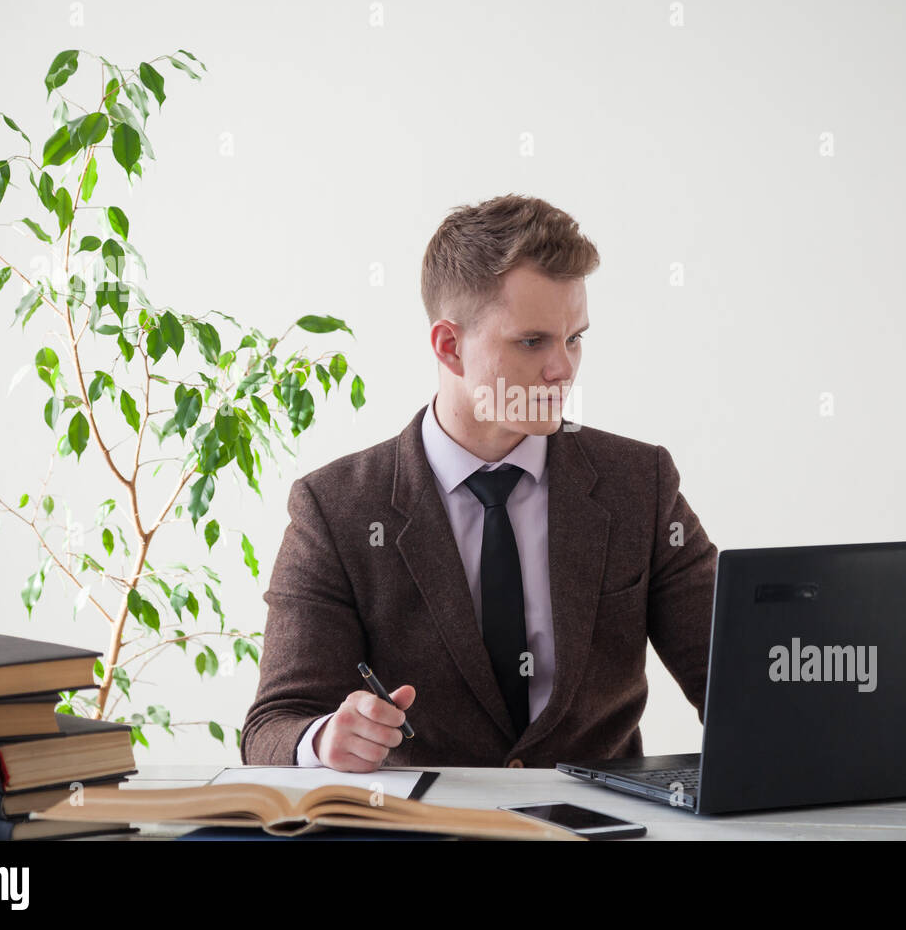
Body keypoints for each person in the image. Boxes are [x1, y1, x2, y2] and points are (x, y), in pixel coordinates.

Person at [240, 194, 716, 770]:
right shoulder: (337, 508)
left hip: (597, 830)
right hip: (425, 833)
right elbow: (273, 725)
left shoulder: (640, 482)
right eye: (533, 341)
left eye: (575, 338)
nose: (563, 368)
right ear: (449, 345)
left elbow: (729, 678)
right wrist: (324, 739)